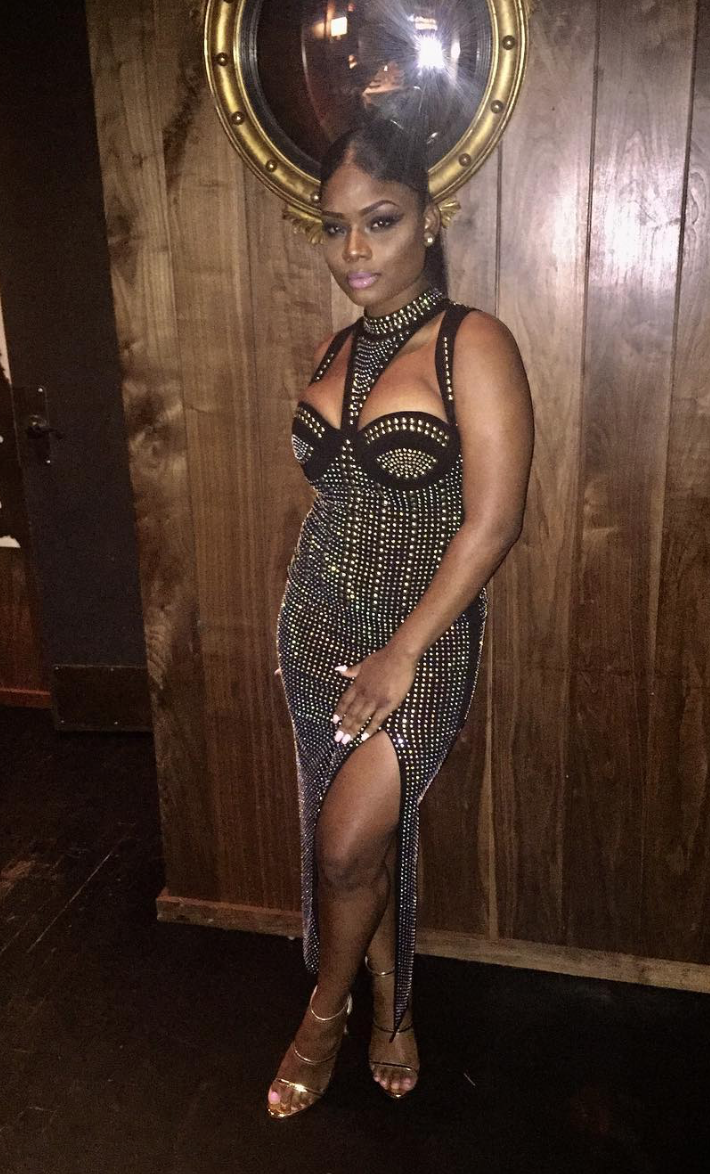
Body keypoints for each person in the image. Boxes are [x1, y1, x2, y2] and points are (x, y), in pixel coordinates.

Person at [268, 114, 534, 1118]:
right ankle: (391, 1003)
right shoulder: (335, 346)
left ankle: (322, 1015)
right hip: (316, 628)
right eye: (334, 226)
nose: (354, 249)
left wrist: (400, 652)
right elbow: (339, 501)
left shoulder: (475, 342)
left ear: (429, 216)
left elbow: (495, 522)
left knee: (344, 846)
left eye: (378, 221)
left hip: (419, 642)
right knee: (355, 848)